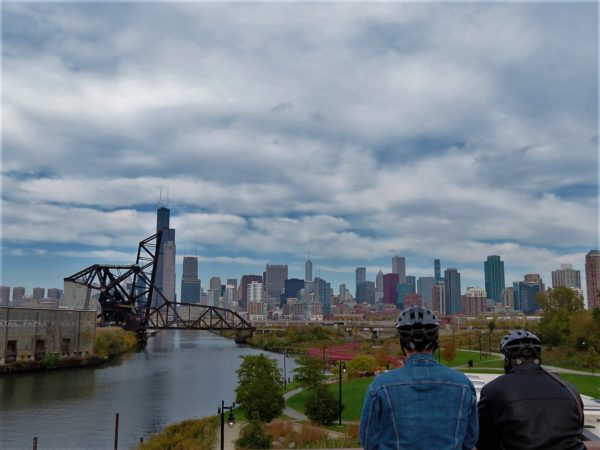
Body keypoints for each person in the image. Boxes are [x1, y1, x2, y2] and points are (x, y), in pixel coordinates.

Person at [360, 306, 478, 450]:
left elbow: (368, 442)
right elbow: (470, 441)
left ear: (402, 343)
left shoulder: (379, 387)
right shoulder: (463, 384)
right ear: (435, 341)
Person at [477, 330, 586, 450]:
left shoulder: (493, 390)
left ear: (507, 362)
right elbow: (577, 431)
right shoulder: (569, 388)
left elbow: (483, 441)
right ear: (539, 360)